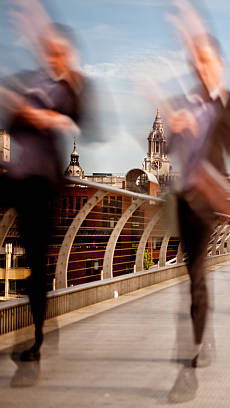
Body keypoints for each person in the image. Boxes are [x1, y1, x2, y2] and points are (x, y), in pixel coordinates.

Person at [162, 1, 230, 402]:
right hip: (185, 196)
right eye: (196, 62)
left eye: (207, 62)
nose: (201, 69)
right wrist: (175, 128)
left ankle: (193, 355)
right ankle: (203, 336)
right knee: (191, 275)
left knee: (198, 275)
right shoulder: (183, 102)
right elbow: (166, 147)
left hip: (210, 196)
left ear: (218, 65)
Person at [0, 0, 94, 386]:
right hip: (16, 180)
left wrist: (38, 114)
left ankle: (37, 338)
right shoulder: (27, 80)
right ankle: (38, 336)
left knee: (37, 264)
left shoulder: (65, 86)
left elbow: (81, 114)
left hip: (41, 186)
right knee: (35, 263)